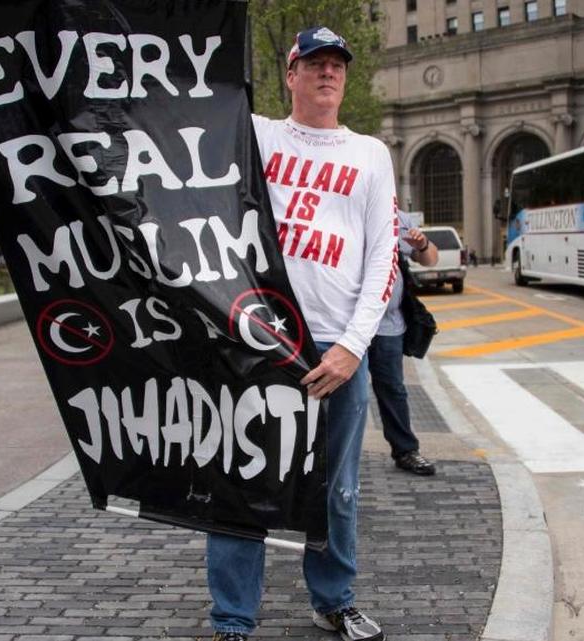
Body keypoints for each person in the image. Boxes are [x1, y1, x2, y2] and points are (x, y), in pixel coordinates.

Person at [207, 26, 398, 641]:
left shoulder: (370, 153)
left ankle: (333, 598)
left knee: (336, 487)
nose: (327, 72)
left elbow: (381, 257)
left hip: (339, 349)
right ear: (290, 75)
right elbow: (199, 100)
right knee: (243, 483)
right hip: (260, 341)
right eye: (313, 62)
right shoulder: (256, 136)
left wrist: (351, 346)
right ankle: (233, 619)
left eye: (337, 63)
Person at [368, 212, 439, 476]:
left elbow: (430, 258)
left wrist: (421, 244)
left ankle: (406, 450)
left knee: (393, 390)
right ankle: (329, 454)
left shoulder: (400, 218)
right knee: (342, 393)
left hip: (388, 324)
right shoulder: (346, 203)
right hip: (347, 324)